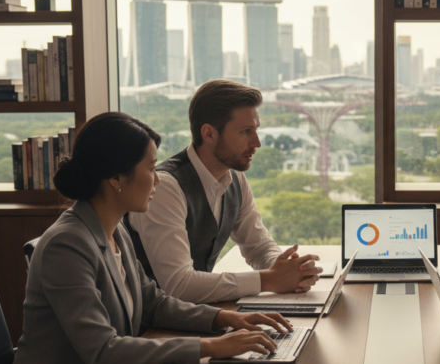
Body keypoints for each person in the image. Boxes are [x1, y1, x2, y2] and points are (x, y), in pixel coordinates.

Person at [0, 112, 292, 364]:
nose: (158, 179)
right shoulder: (68, 244)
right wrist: (211, 346)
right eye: (151, 169)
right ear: (116, 179)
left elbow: (153, 303)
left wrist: (225, 319)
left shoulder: (114, 227)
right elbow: (102, 350)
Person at [126, 79, 321, 304]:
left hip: (199, 315)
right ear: (209, 134)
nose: (256, 142)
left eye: (256, 130)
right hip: (154, 328)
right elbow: (178, 285)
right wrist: (269, 280)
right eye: (246, 132)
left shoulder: (236, 178)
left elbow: (258, 246)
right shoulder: (165, 187)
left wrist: (285, 267)